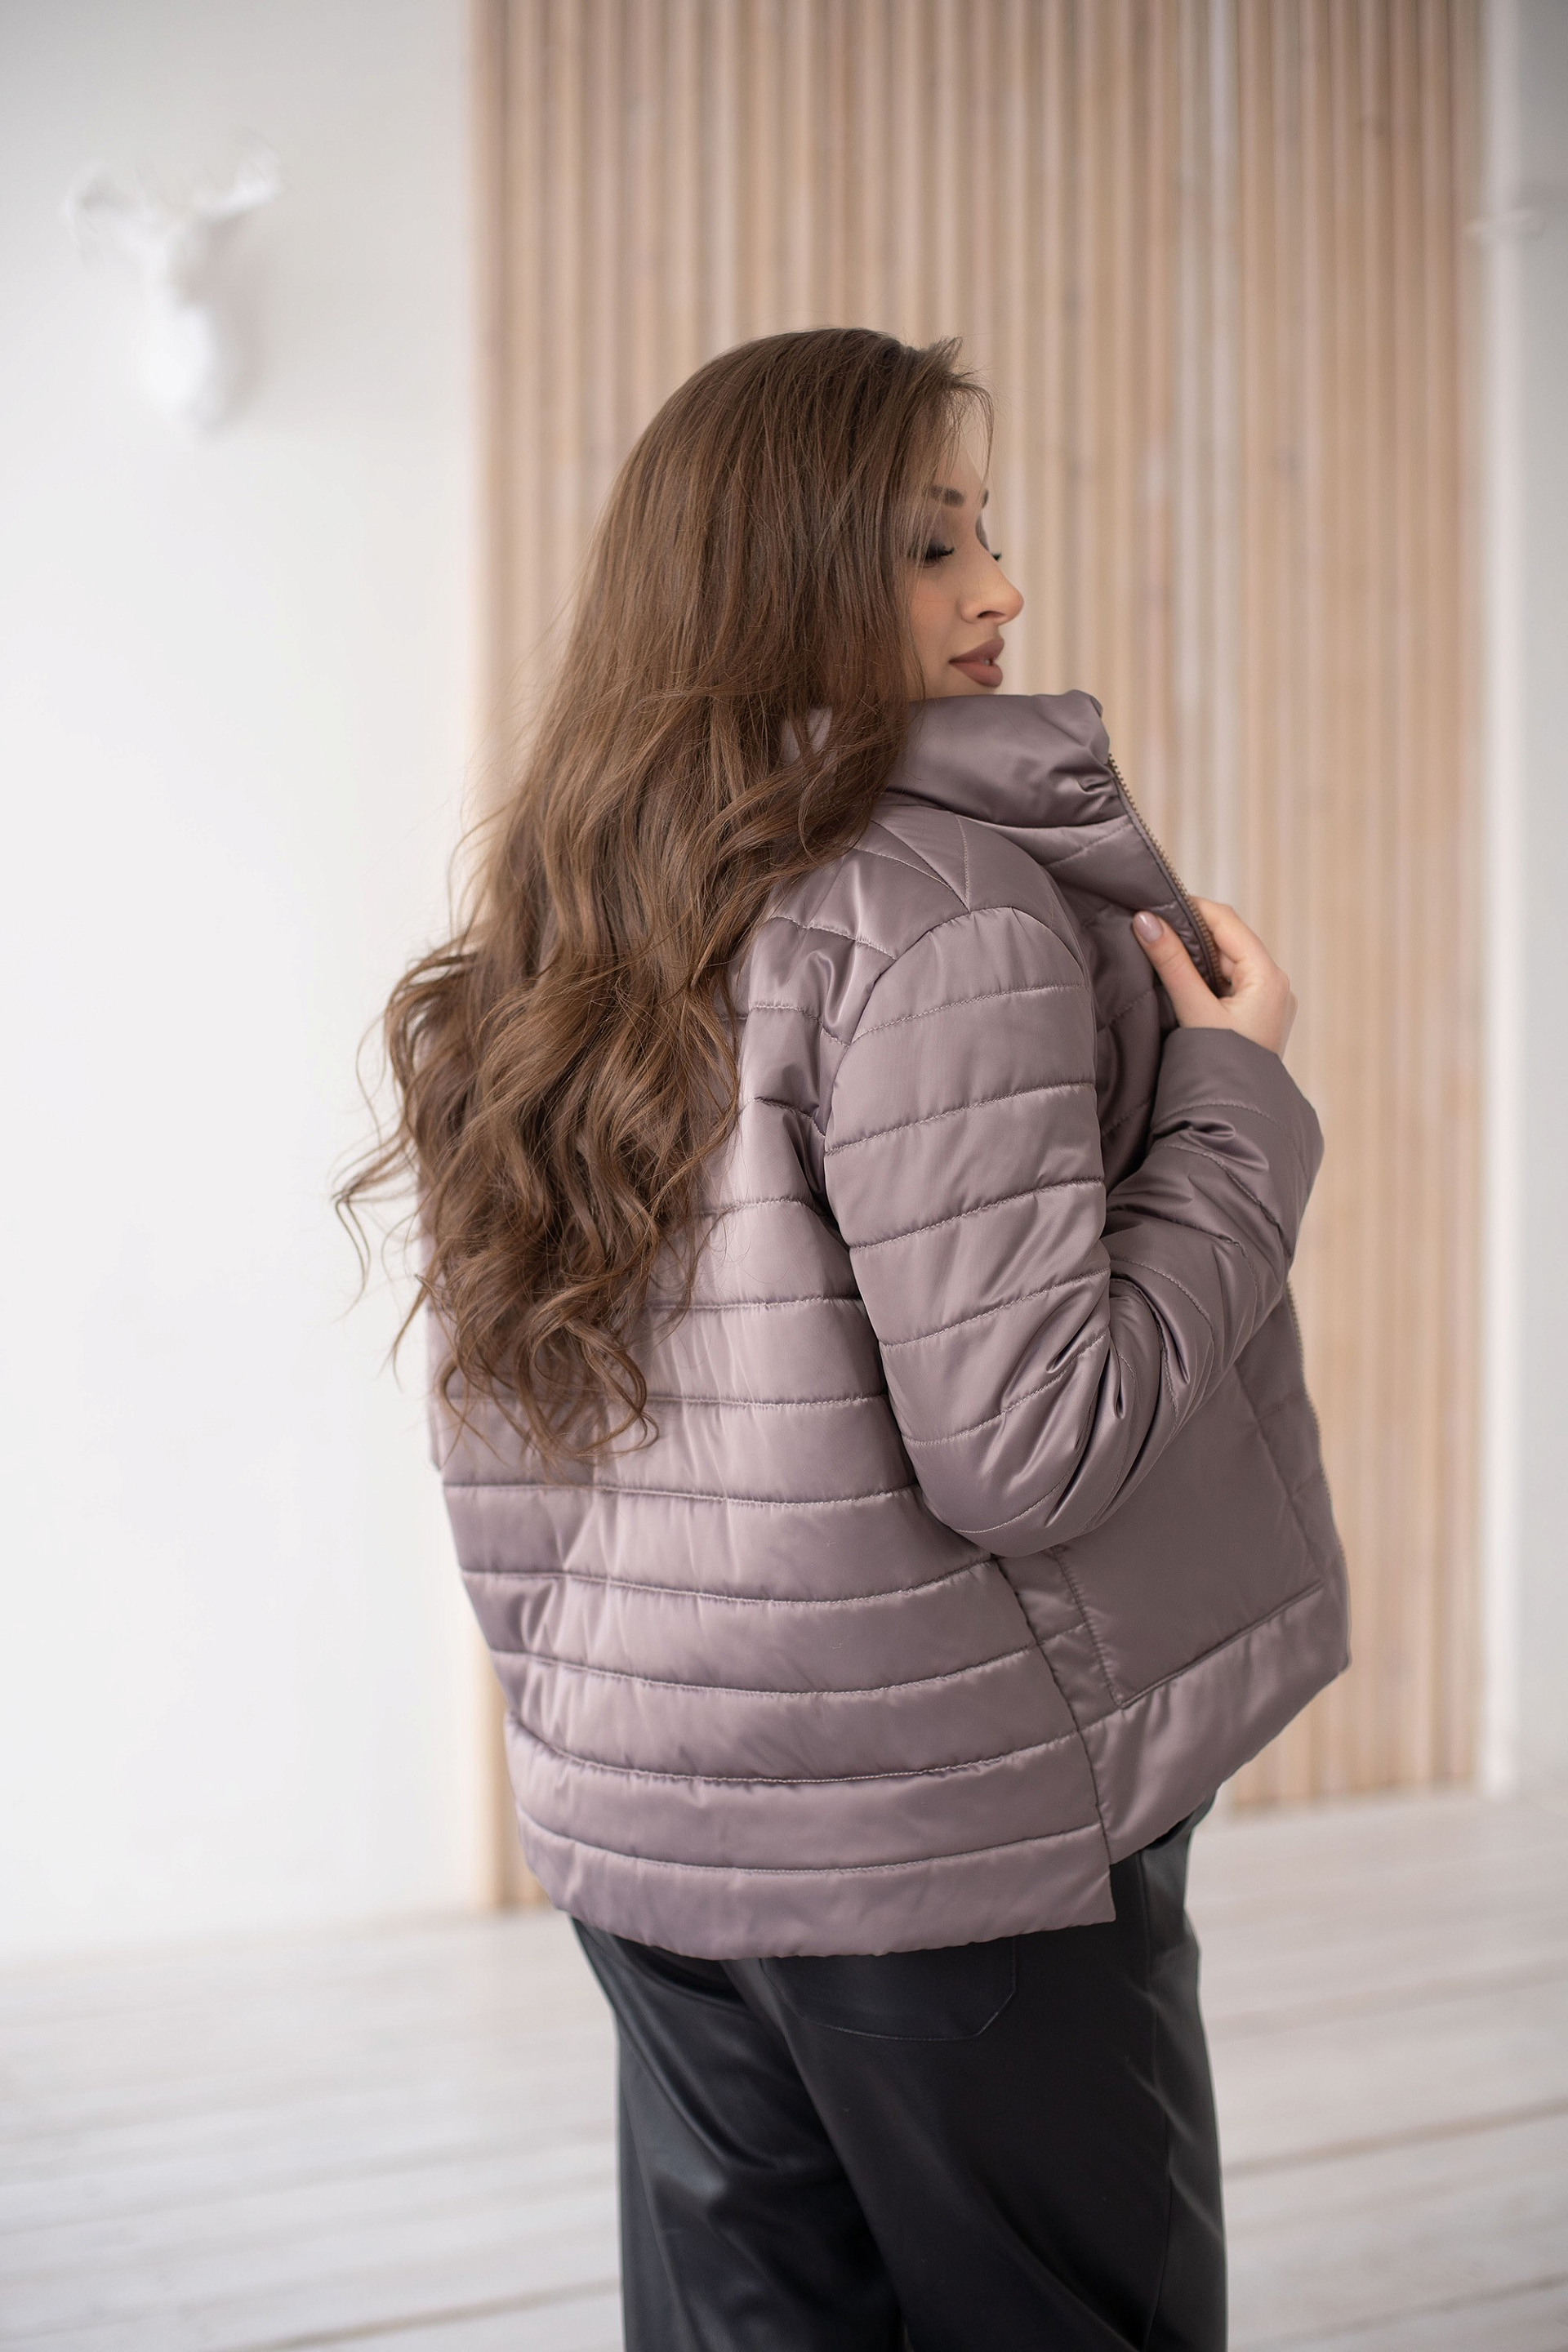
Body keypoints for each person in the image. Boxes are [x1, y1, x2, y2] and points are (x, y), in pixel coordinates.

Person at [341, 328, 1348, 2351]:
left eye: (986, 533)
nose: (1002, 587)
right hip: (944, 1849)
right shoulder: (945, 913)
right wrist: (1237, 1097)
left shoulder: (565, 924)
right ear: (774, 573)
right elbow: (1035, 1443)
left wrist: (614, 1737)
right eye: (929, 543)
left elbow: (507, 1444)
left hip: (652, 1832)